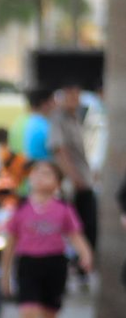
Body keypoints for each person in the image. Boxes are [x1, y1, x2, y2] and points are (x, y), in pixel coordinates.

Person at [0, 160, 91, 318]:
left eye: (48, 174)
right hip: (28, 264)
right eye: (37, 173)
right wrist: (5, 274)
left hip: (54, 265)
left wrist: (85, 254)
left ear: (57, 183)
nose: (41, 177)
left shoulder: (63, 209)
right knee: (27, 312)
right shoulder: (21, 208)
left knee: (50, 317)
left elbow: (75, 235)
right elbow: (10, 243)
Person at [48, 82, 97, 265]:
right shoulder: (58, 119)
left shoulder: (76, 117)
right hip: (73, 183)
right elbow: (59, 150)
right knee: (74, 225)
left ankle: (83, 262)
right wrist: (73, 176)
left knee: (87, 224)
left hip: (84, 179)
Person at [21, 87, 55, 164]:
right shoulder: (45, 127)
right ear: (45, 104)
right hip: (45, 167)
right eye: (53, 100)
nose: (56, 104)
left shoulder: (30, 122)